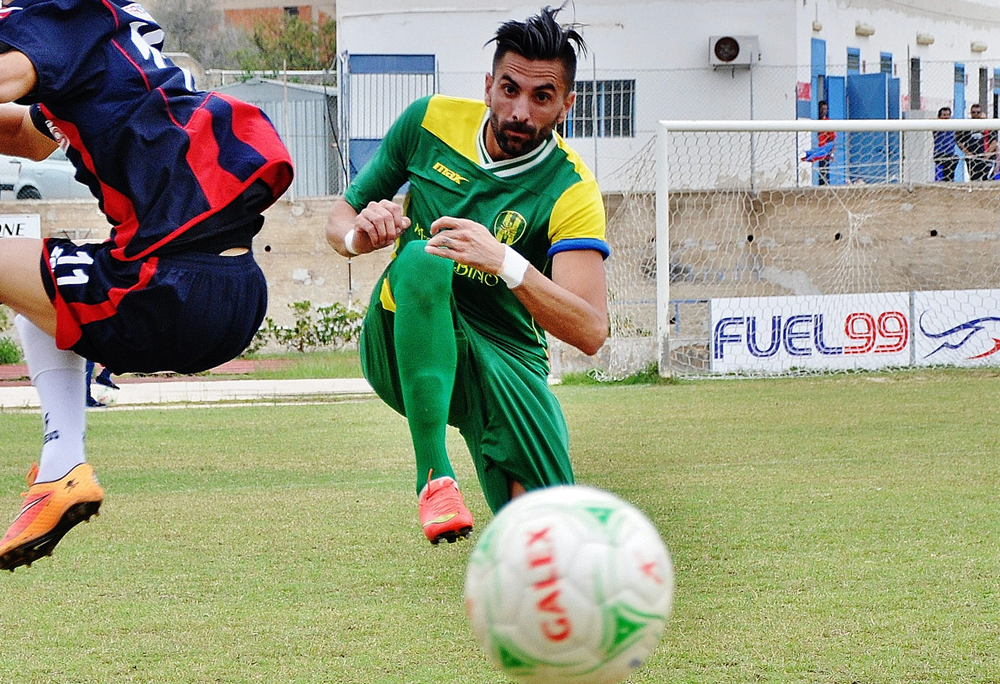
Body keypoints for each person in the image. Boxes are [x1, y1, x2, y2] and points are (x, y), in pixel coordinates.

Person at [0, 0, 294, 571]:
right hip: (231, 288)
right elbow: (32, 136)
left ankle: (63, 468)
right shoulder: (102, 41)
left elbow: (8, 78)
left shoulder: (60, 15)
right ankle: (60, 462)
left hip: (170, 287)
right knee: (32, 286)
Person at [325, 6, 609, 545]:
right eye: (509, 89)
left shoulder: (571, 189)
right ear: (488, 86)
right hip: (405, 335)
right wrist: (360, 235)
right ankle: (434, 478)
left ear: (566, 106)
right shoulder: (427, 121)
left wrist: (504, 260)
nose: (520, 109)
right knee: (422, 257)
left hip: (506, 355)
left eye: (541, 97)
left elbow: (591, 330)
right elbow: (340, 218)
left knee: (551, 540)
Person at [956, 103, 997, 181]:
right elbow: (959, 141)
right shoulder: (966, 126)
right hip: (972, 158)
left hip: (986, 157)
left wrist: (988, 153)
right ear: (970, 113)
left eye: (978, 112)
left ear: (981, 113)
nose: (976, 114)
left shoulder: (987, 125)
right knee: (974, 179)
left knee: (987, 178)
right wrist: (967, 153)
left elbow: (994, 141)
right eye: (974, 112)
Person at [933, 106, 958, 182]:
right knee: (948, 163)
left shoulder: (952, 126)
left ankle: (949, 181)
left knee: (954, 159)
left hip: (950, 153)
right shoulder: (937, 126)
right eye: (944, 115)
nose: (946, 117)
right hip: (940, 153)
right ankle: (945, 180)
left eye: (948, 115)